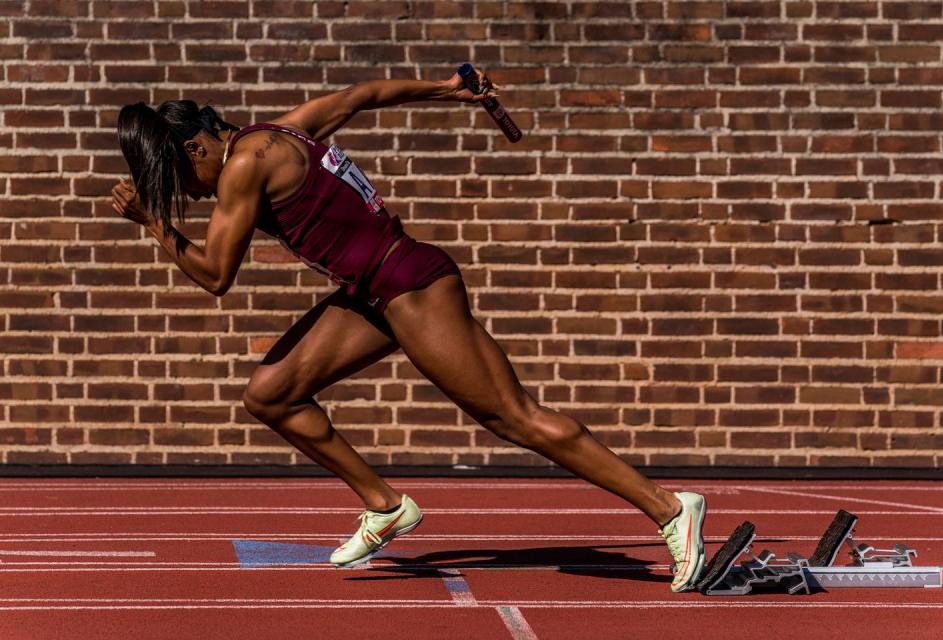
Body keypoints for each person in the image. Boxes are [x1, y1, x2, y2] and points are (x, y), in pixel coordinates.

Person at [111, 69, 707, 592]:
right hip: (371, 295)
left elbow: (216, 275)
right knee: (270, 394)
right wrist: (447, 91)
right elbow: (364, 94)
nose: (197, 195)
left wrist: (155, 223)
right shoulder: (282, 129)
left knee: (512, 417)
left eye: (187, 184)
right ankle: (385, 506)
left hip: (410, 286)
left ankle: (669, 509)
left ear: (196, 149)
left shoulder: (242, 167)